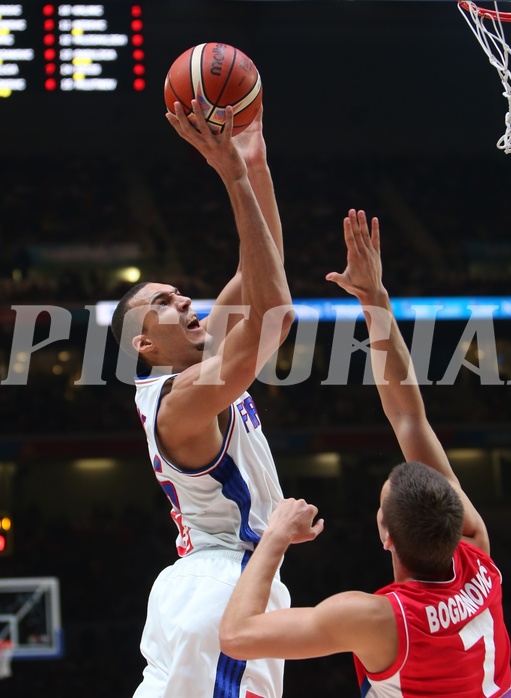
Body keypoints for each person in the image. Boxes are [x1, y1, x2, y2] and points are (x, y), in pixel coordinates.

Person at [220, 209, 511, 697]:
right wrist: (375, 301)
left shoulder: (380, 617)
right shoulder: (477, 556)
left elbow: (236, 637)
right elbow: (409, 418)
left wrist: (272, 536)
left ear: (385, 534)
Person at [110, 99, 294, 697]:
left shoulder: (192, 363)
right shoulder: (182, 400)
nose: (185, 301)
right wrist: (232, 177)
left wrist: (256, 166)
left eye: (179, 292)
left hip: (190, 588)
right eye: (163, 303)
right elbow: (276, 314)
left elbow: (262, 266)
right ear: (145, 343)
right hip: (225, 586)